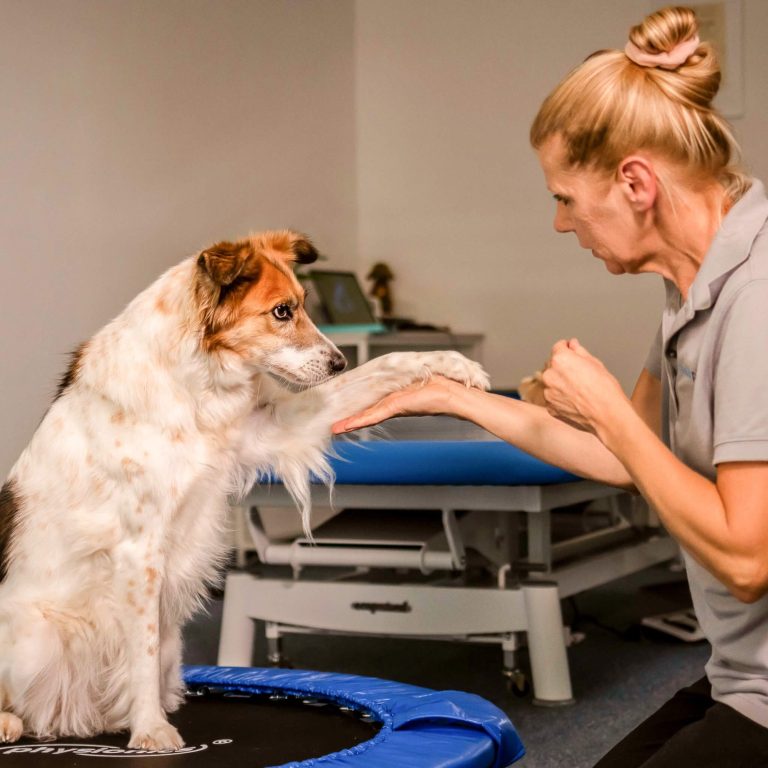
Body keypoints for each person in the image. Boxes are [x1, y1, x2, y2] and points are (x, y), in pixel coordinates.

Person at [332, 6, 768, 766]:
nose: (562, 225)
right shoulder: (695, 289)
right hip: (740, 679)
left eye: (564, 198)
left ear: (635, 182)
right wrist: (459, 398)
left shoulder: (757, 294)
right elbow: (619, 459)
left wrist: (605, 407)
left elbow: (746, 558)